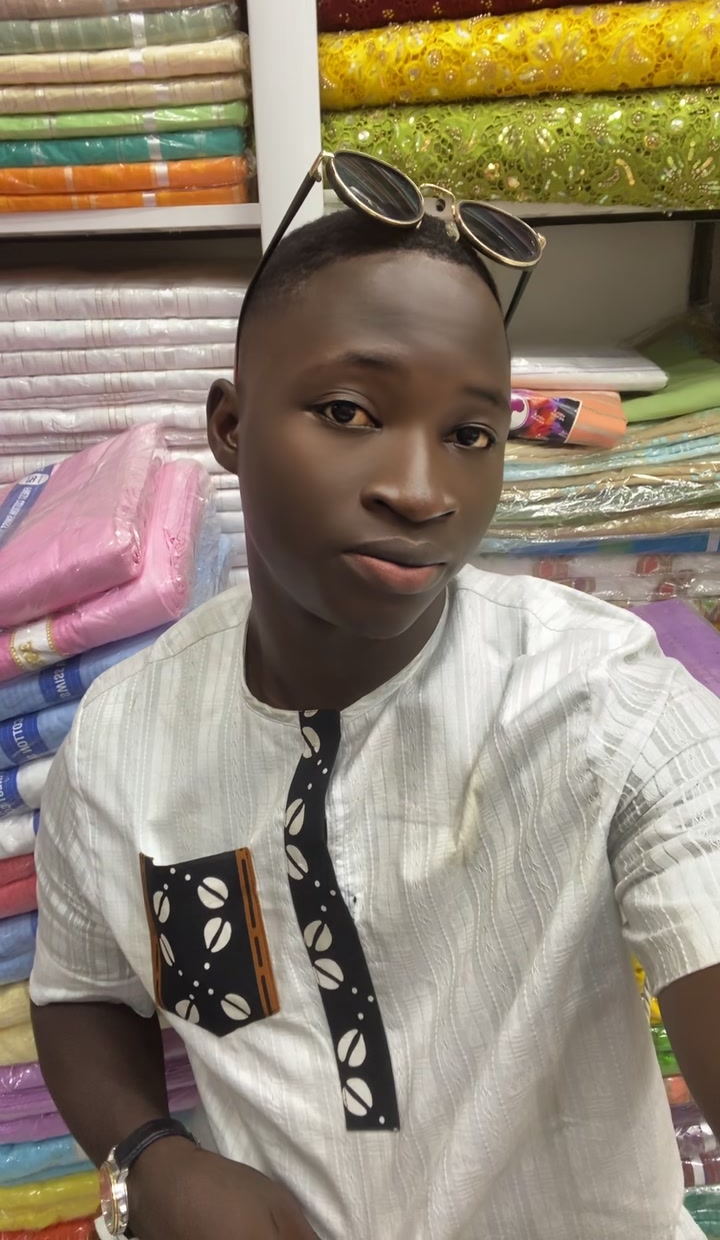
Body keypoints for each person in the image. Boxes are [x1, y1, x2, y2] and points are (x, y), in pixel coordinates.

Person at [30, 201, 720, 1240]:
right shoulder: (124, 738)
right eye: (351, 412)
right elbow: (80, 988)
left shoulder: (603, 703)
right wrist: (148, 1157)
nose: (420, 490)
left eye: (470, 435)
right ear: (230, 426)